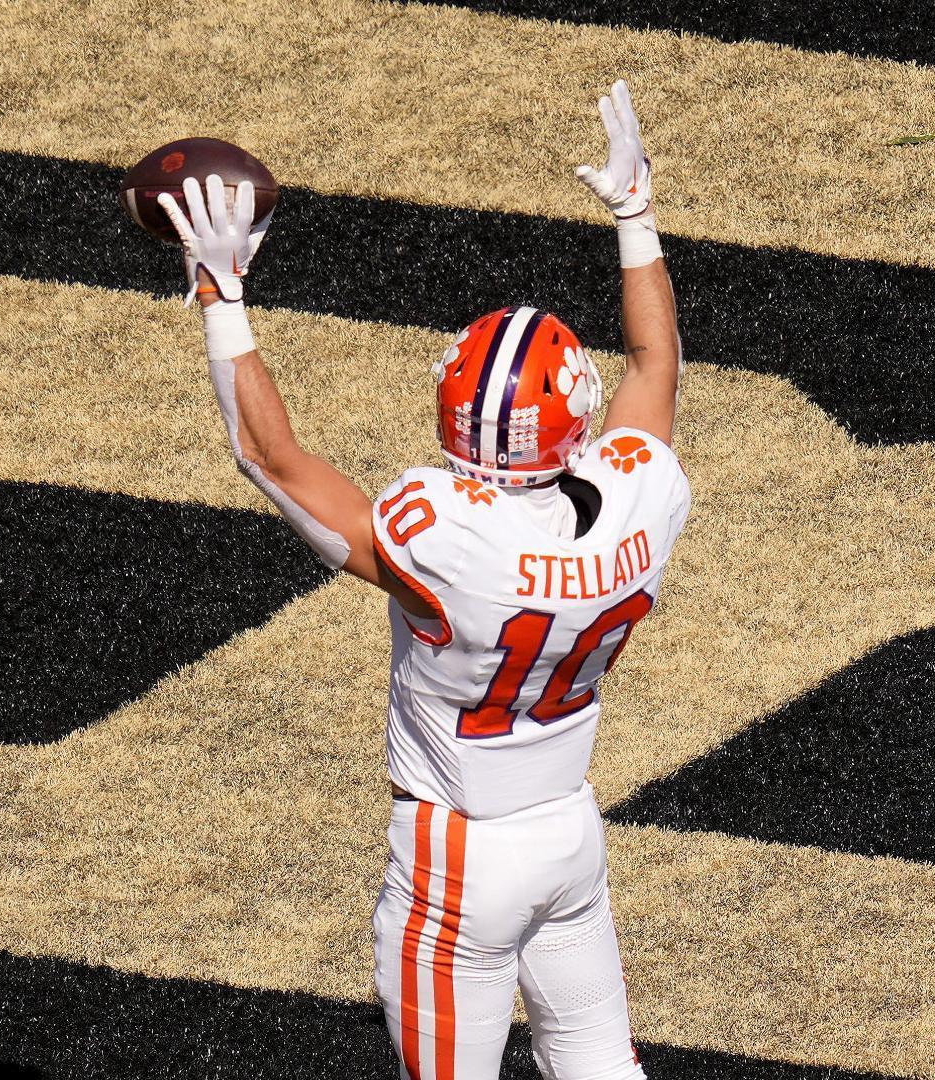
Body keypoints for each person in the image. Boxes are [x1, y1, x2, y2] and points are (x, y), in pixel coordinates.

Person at [157, 78, 687, 1080]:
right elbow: (654, 363)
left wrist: (224, 302)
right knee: (602, 1067)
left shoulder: (445, 539)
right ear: (575, 428)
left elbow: (273, 462)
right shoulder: (635, 502)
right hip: (567, 832)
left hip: (461, 854)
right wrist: (636, 216)